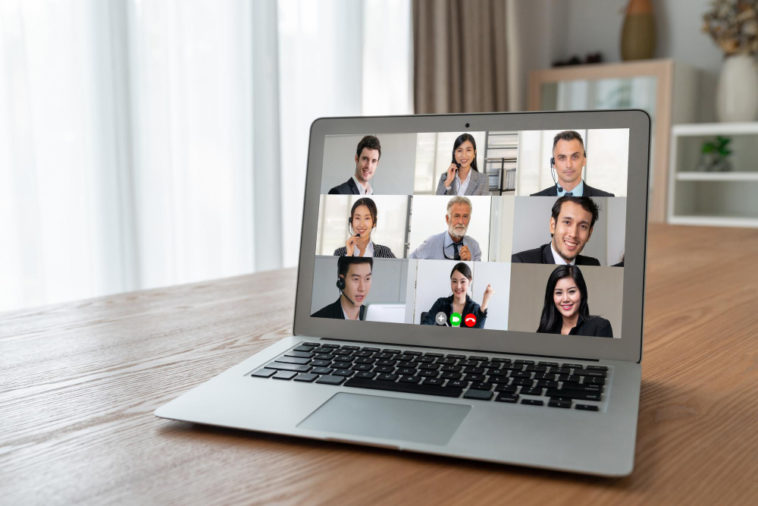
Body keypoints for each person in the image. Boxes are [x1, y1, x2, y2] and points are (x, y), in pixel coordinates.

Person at [512, 195, 600, 265]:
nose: (573, 234)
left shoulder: (593, 264)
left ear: (589, 234)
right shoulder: (521, 262)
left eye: (583, 226)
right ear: (553, 225)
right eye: (567, 222)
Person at [531, 130, 614, 197]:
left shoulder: (606, 197)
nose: (569, 165)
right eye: (562, 158)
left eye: (574, 157)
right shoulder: (534, 198)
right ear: (553, 163)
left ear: (584, 160)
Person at [536, 265, 613, 337]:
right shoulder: (545, 331)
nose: (565, 299)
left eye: (571, 291)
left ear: (582, 293)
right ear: (552, 297)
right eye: (559, 293)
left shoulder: (600, 327)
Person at [421, 262, 493, 328]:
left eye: (462, 281)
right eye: (454, 281)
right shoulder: (440, 303)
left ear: (469, 281)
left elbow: (478, 336)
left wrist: (485, 302)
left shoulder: (474, 308)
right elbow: (425, 326)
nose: (458, 286)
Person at [409, 196, 482, 261]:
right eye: (456, 216)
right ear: (447, 219)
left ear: (469, 219)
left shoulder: (474, 246)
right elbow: (409, 263)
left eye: (465, 216)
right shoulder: (431, 243)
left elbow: (478, 274)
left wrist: (470, 263)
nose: (461, 222)